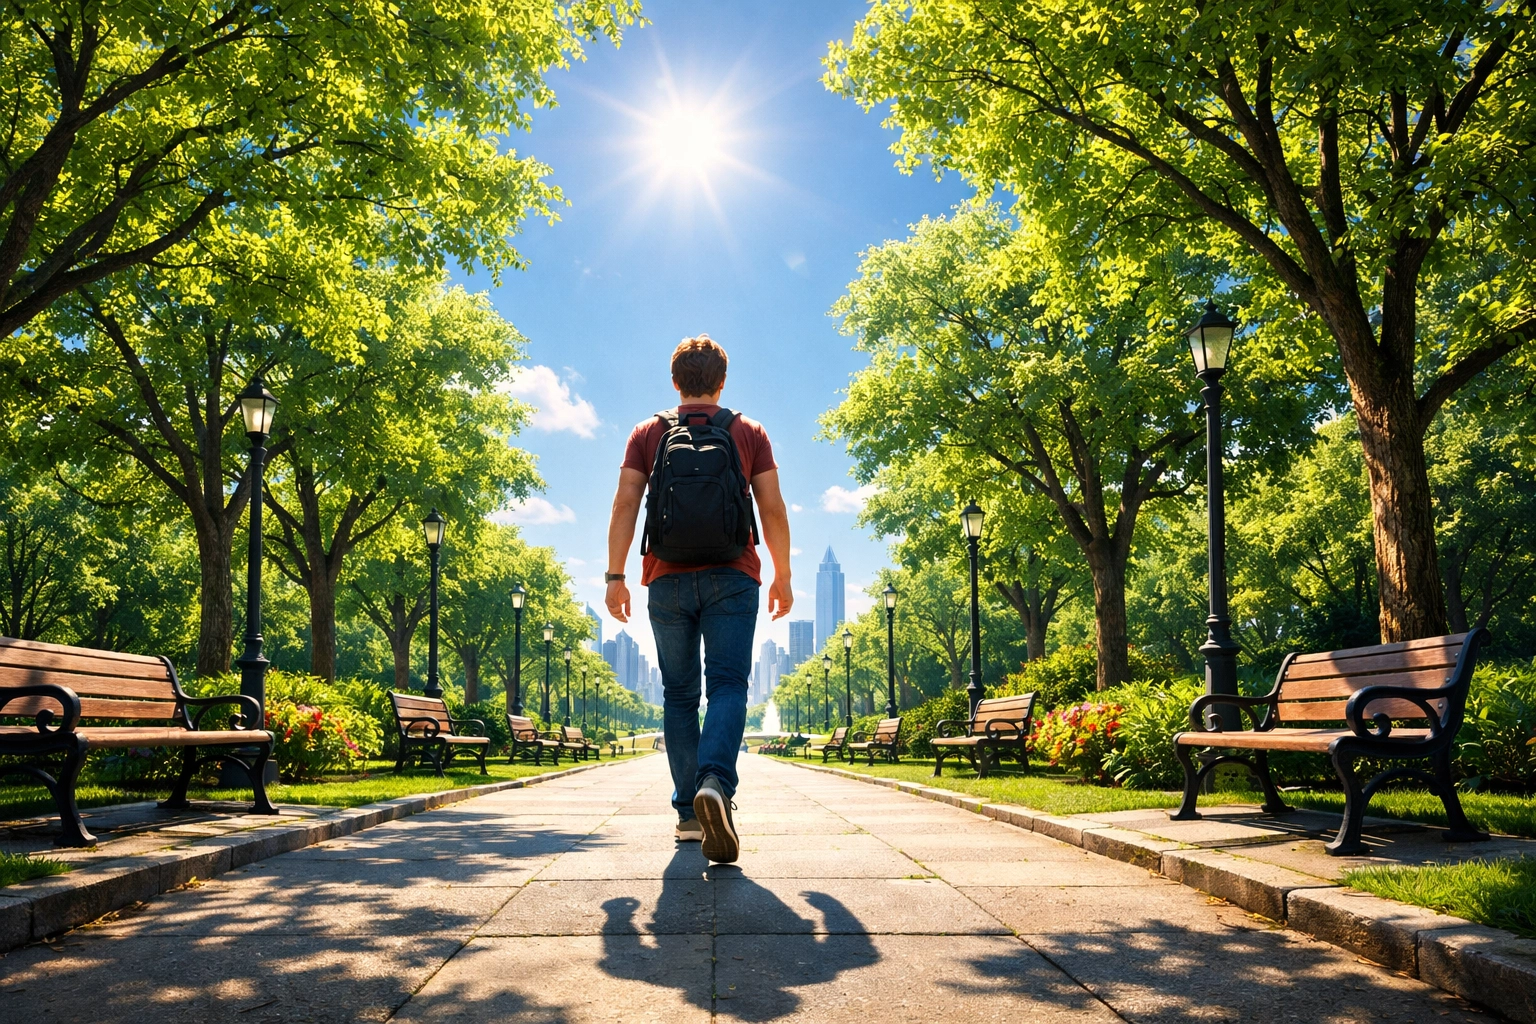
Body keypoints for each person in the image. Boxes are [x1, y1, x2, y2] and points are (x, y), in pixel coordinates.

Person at [604, 335, 792, 863]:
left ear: (675, 381)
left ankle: (689, 813)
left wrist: (615, 576)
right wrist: (783, 574)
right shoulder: (748, 431)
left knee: (679, 694)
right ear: (722, 382)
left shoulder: (648, 432)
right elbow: (772, 510)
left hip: (665, 578)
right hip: (734, 575)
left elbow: (625, 504)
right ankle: (716, 782)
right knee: (729, 685)